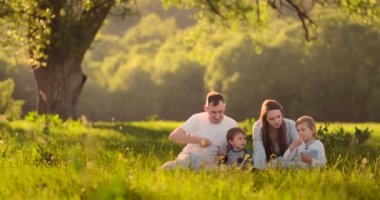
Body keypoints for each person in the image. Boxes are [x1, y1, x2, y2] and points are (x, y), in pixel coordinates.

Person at [161, 91, 238, 170]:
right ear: (206, 109)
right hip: (191, 157)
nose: (217, 116)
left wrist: (226, 153)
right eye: (213, 112)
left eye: (220, 111)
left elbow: (237, 149)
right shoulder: (197, 118)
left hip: (213, 163)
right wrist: (199, 140)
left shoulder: (232, 124)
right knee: (177, 166)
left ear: (224, 106)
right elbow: (173, 136)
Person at [252, 99, 298, 169]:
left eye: (279, 116)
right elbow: (259, 150)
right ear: (265, 120)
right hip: (267, 160)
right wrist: (260, 167)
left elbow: (297, 148)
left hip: (288, 159)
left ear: (282, 114)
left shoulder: (291, 124)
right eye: (271, 119)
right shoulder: (258, 126)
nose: (277, 121)